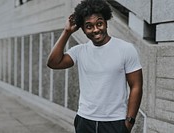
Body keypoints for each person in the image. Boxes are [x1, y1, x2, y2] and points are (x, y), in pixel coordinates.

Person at [47, 0, 143, 132]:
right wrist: (67, 32)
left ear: (106, 23)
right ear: (83, 29)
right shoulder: (79, 51)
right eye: (89, 26)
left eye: (99, 23)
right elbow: (53, 63)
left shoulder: (126, 49)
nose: (96, 29)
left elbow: (136, 86)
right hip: (85, 120)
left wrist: (129, 121)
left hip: (114, 122)